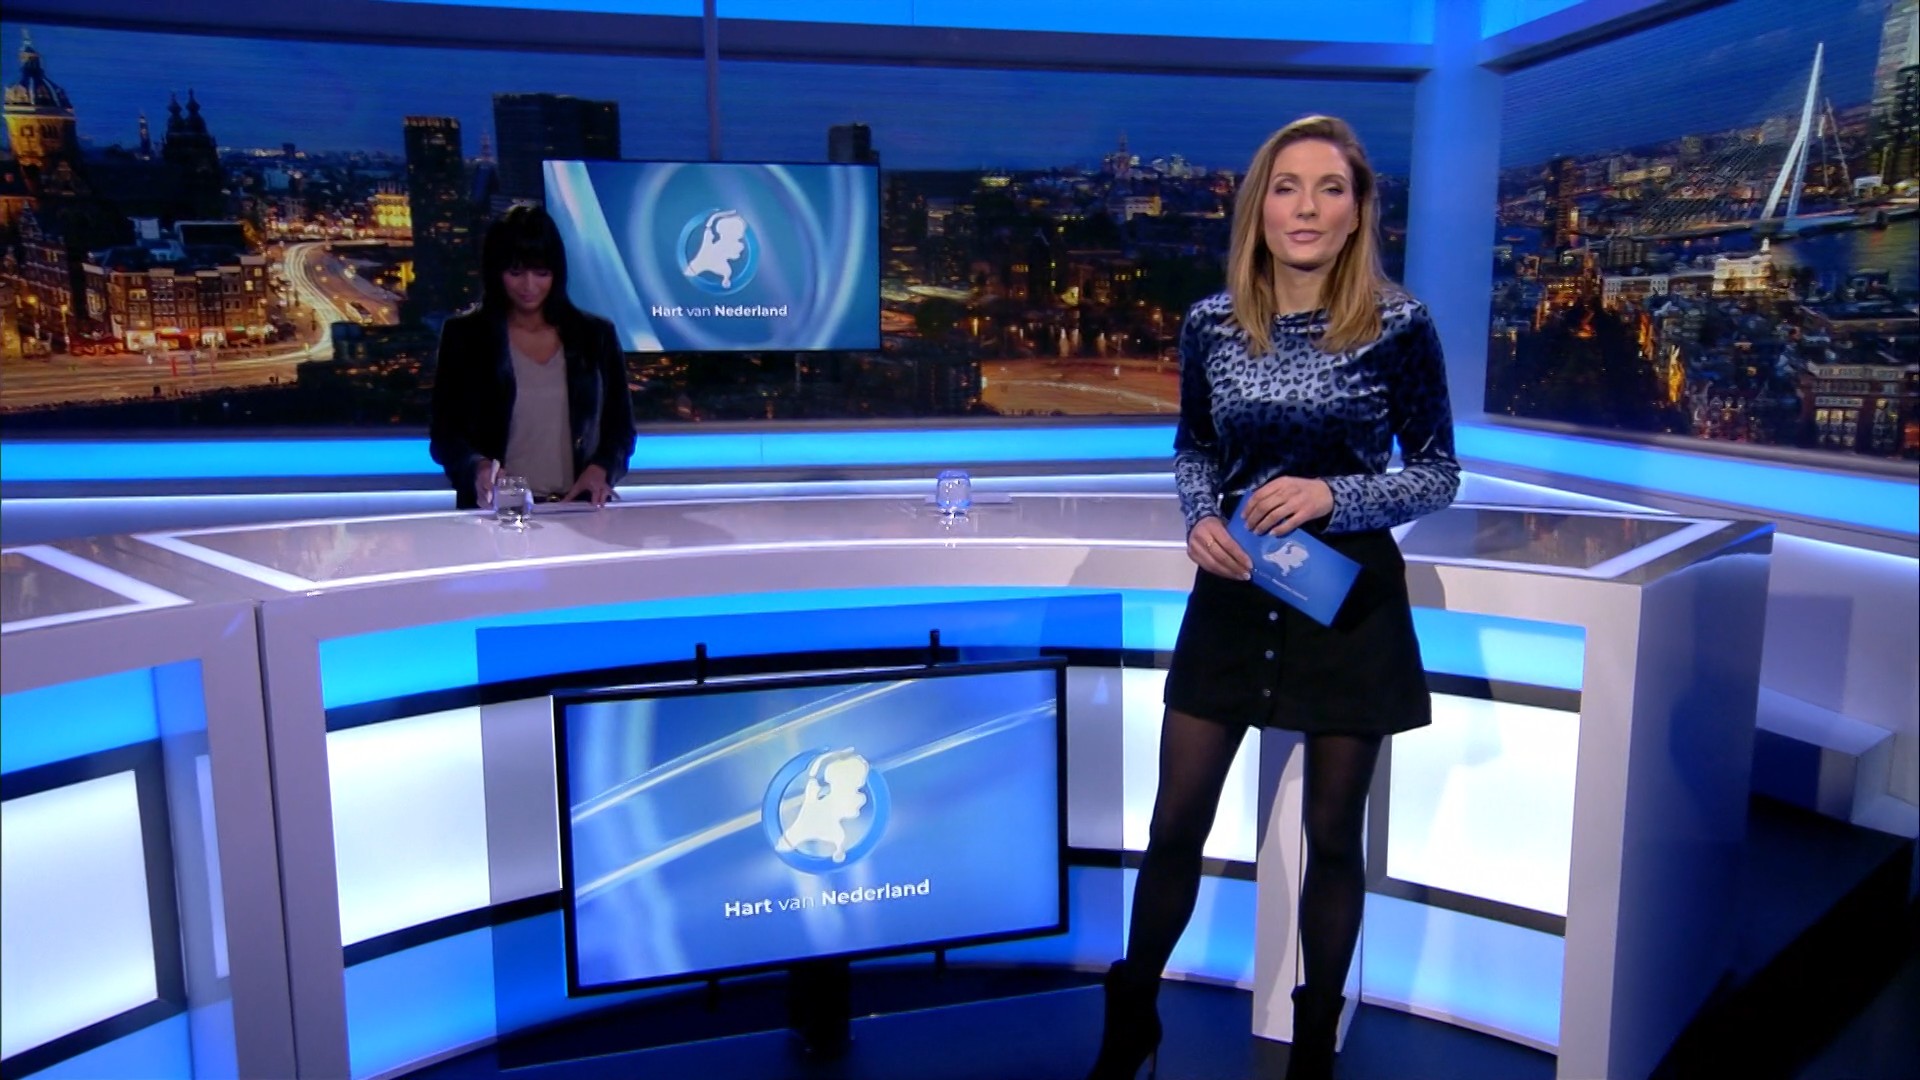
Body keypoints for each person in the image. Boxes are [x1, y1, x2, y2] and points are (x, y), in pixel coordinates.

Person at [1085, 116, 1459, 1080]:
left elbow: (1437, 472)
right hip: (1236, 584)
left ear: (1357, 212)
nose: (1306, 207)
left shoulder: (1400, 324)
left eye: (1330, 189)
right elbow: (1194, 447)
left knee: (1332, 837)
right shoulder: (1211, 322)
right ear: (1259, 207)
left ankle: (1312, 1051)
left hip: (1346, 599)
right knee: (1176, 820)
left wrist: (1335, 496)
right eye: (1287, 186)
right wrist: (1197, 518)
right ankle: (1131, 1022)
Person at [430, 205, 635, 510]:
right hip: (498, 514)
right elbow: (445, 435)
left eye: (541, 273)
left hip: (579, 510)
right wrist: (478, 467)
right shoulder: (466, 337)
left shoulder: (595, 336)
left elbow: (620, 429)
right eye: (516, 273)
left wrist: (602, 468)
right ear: (496, 272)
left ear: (557, 273)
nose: (529, 286)